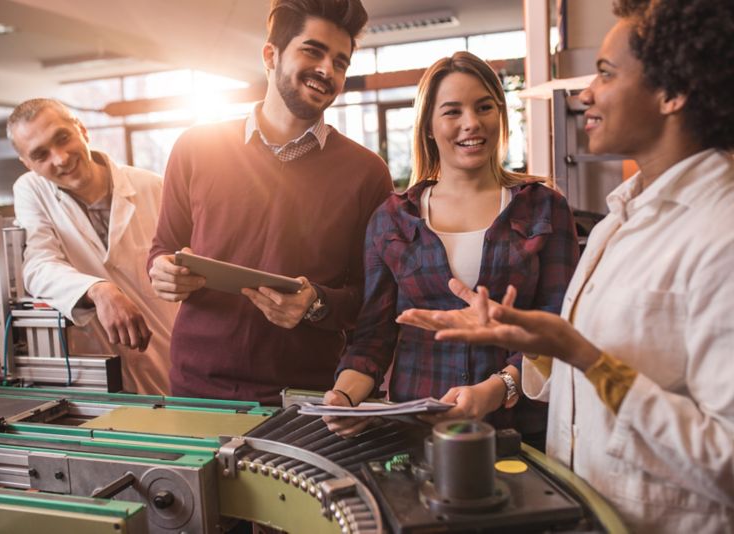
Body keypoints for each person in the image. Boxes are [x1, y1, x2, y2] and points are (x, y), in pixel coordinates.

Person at [397, 0, 734, 531]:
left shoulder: (721, 233)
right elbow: (585, 383)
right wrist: (539, 341)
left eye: (604, 74)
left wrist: (580, 353)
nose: (584, 94)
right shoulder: (619, 221)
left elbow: (726, 461)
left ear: (672, 94)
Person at [323, 51, 579, 447]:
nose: (471, 124)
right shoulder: (392, 219)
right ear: (428, 125)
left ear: (501, 114)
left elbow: (558, 326)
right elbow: (373, 337)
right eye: (452, 111)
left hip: (522, 432)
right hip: (419, 431)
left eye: (483, 107)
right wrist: (344, 397)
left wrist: (497, 388)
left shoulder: (544, 208)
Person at [147, 0, 393, 404]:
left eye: (340, 62)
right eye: (312, 51)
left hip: (304, 396)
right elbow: (163, 247)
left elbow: (371, 298)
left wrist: (316, 303)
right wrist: (161, 271)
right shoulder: (195, 148)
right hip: (196, 390)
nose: (326, 71)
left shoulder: (366, 173)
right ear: (270, 55)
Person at [9, 98, 178, 395]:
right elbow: (37, 265)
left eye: (62, 138)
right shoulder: (32, 190)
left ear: (82, 130)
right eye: (40, 154)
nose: (60, 159)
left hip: (172, 356)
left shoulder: (154, 186)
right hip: (101, 373)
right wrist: (100, 290)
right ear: (27, 163)